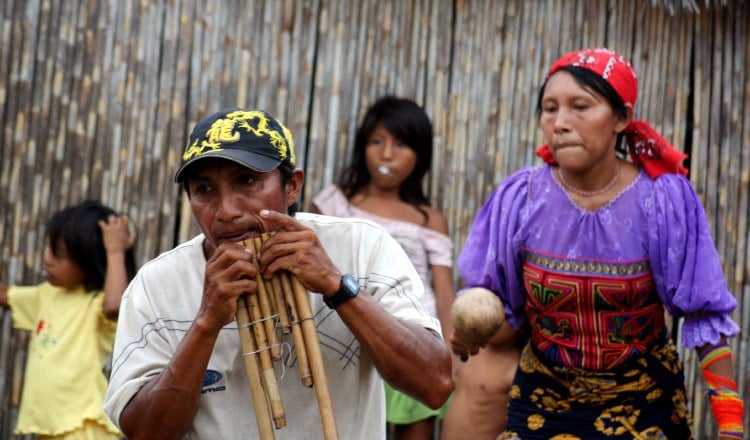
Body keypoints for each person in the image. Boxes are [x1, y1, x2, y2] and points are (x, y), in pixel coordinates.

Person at [102, 107, 453, 440]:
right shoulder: (157, 285)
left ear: (292, 186)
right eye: (204, 189)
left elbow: (434, 383)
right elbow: (145, 433)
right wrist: (206, 322)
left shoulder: (360, 246)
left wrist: (337, 286)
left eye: (247, 181)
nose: (226, 211)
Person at [452, 48, 744, 439]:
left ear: (621, 118)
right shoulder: (520, 199)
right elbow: (492, 296)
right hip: (544, 402)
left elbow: (704, 313)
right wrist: (469, 329)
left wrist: (729, 424)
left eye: (580, 107)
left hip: (643, 405)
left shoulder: (662, 201)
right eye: (550, 108)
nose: (560, 123)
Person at [312, 95, 455, 440]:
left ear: (420, 155)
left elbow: (444, 290)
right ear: (363, 146)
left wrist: (450, 355)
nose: (386, 154)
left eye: (401, 144)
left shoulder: (429, 219)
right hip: (346, 338)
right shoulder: (335, 203)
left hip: (411, 340)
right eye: (377, 142)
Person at [0, 200, 137, 439]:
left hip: (85, 428)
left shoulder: (96, 305)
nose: (47, 259)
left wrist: (115, 251)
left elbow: (116, 304)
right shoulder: (44, 296)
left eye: (59, 253)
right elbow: (5, 295)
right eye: (48, 248)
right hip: (50, 429)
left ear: (90, 260)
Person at [441, 320, 524, 440]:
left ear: (519, 326)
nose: (490, 319)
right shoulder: (473, 351)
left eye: (503, 317)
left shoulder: (515, 368)